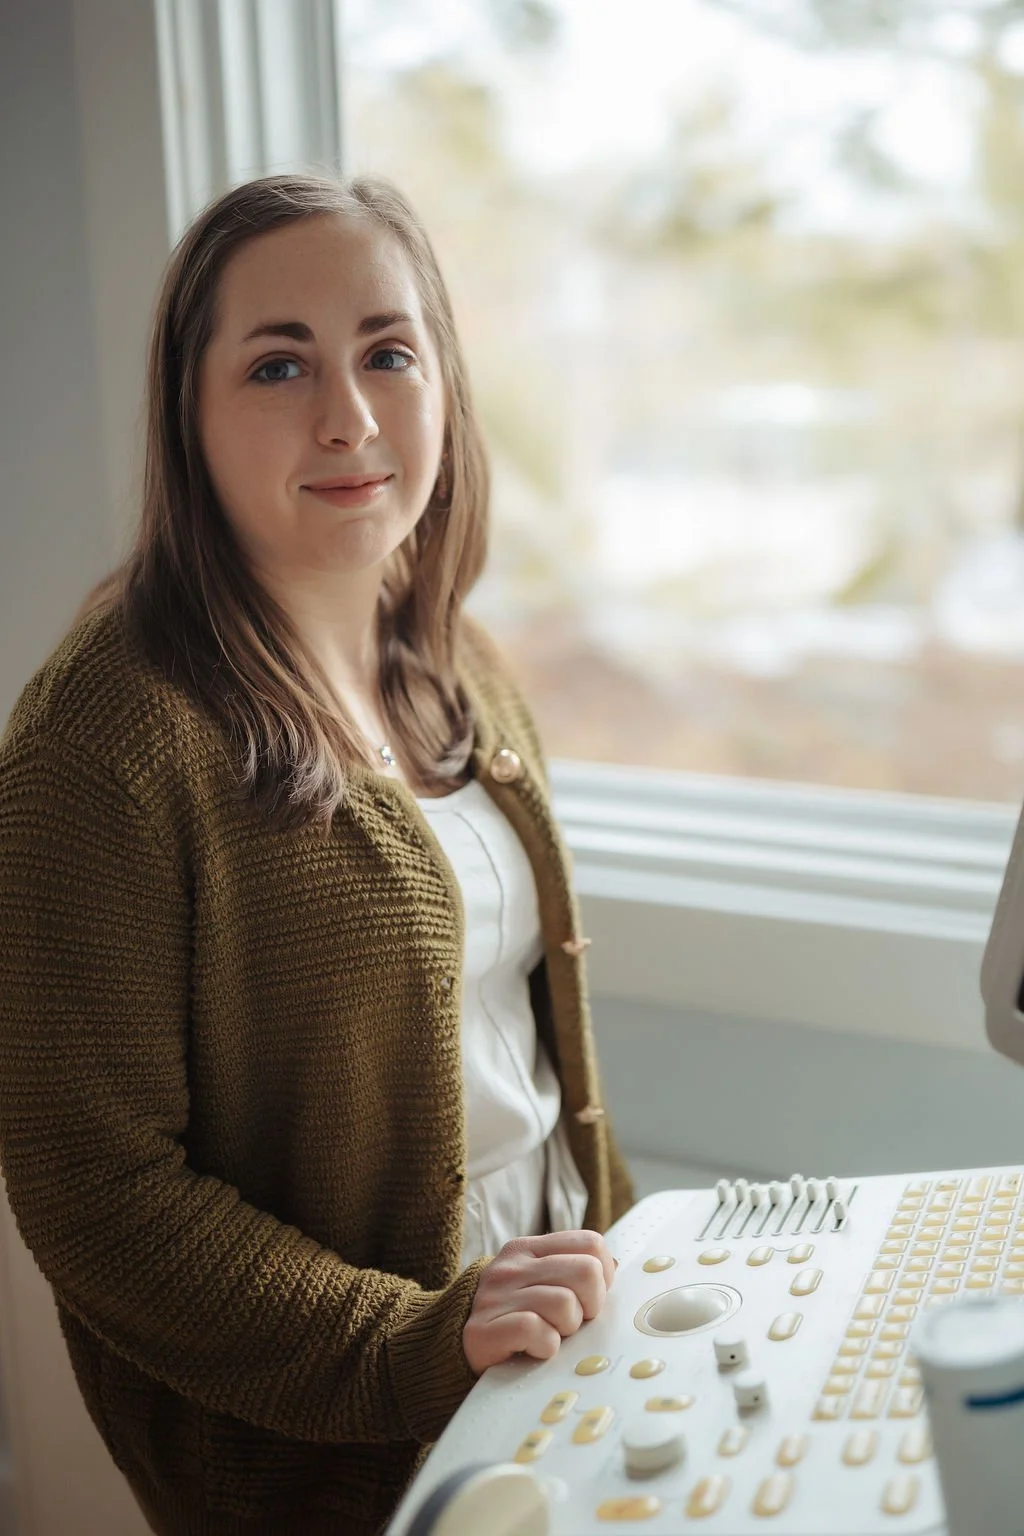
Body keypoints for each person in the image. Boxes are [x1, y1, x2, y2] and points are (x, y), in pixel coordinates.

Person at [0, 173, 635, 1536]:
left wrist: (607, 1255)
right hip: (330, 1456)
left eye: (387, 354)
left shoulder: (457, 661)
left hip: (547, 1352)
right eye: (278, 364)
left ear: (443, 383)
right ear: (192, 410)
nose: (348, 415)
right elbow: (93, 1192)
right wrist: (409, 1344)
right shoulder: (104, 740)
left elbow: (513, 1047)